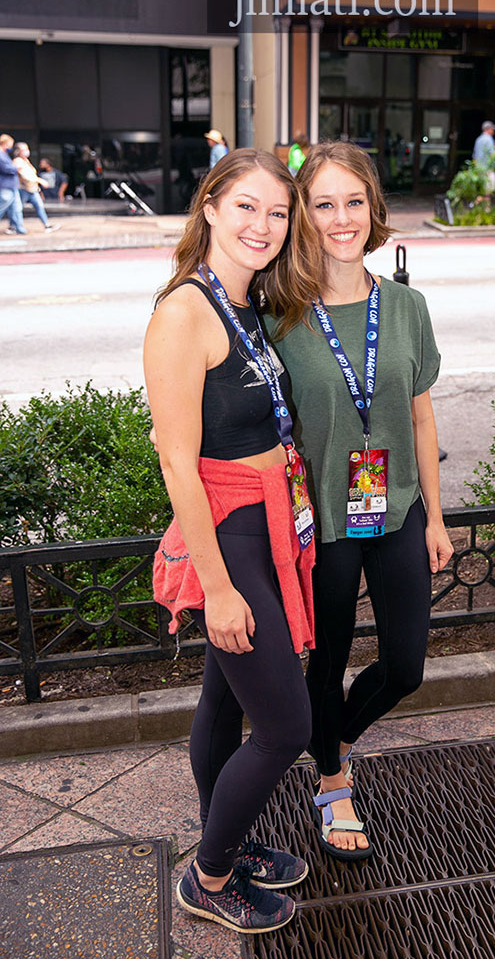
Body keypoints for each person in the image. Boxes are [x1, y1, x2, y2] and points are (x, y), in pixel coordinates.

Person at [145, 149, 323, 935]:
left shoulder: (246, 303)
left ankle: (230, 837)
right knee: (286, 726)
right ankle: (208, 877)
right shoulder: (184, 311)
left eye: (278, 212)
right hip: (228, 536)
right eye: (246, 207)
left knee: (225, 697)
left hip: (267, 521)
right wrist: (217, 588)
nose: (263, 225)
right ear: (210, 206)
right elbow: (176, 462)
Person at [268, 141, 454, 861]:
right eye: (322, 204)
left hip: (398, 508)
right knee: (329, 658)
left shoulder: (406, 306)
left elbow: (421, 415)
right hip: (325, 524)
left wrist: (436, 517)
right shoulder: (279, 313)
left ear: (372, 208)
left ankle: (332, 734)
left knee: (406, 665)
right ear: (304, 216)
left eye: (353, 201)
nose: (340, 218)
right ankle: (331, 780)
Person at [13, 143, 60, 233]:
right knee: (17, 209)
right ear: (18, 151)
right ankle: (14, 227)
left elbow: (31, 174)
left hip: (33, 189)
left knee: (39, 206)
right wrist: (39, 180)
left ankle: (47, 225)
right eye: (24, 150)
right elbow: (24, 175)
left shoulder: (26, 161)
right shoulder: (17, 161)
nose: (27, 151)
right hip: (23, 189)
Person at [0, 134, 26, 235]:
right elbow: (6, 169)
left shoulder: (4, 154)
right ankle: (18, 227)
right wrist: (16, 168)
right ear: (5, 143)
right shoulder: (1, 155)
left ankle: (19, 228)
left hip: (12, 185)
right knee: (2, 207)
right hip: (5, 185)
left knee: (16, 208)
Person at [472, 120, 495, 192]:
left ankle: (478, 202)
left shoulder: (478, 139)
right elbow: (492, 156)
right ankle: (475, 203)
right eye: (492, 129)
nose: (493, 131)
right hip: (488, 169)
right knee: (488, 191)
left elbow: (475, 158)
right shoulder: (489, 139)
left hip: (479, 169)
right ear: (488, 129)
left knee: (482, 190)